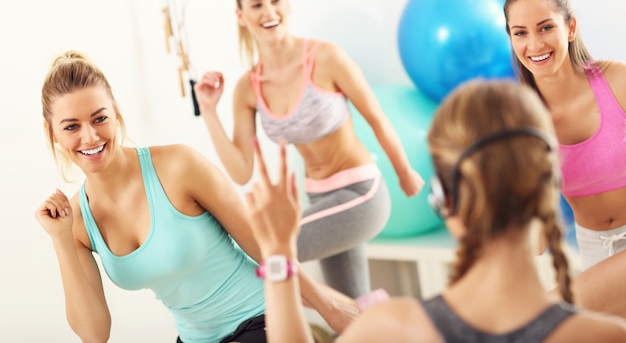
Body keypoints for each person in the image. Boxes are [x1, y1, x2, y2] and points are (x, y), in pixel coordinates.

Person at [244, 78, 626, 343]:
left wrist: (278, 255)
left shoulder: (390, 332)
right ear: (549, 191)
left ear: (444, 199)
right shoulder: (604, 337)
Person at [35, 51, 360, 343]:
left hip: (259, 320)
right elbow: (94, 334)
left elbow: (263, 246)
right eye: (71, 127)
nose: (90, 136)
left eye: (99, 118)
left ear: (115, 113)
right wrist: (61, 239)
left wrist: (332, 310)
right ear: (53, 134)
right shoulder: (75, 220)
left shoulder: (178, 166)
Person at [193, 0, 424, 299]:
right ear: (241, 15)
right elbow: (241, 172)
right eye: (256, 5)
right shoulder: (248, 88)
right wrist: (209, 112)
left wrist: (404, 172)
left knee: (266, 249)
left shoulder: (326, 57)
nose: (269, 12)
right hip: (318, 198)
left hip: (360, 192)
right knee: (353, 308)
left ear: (288, 4)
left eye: (275, 0)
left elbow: (376, 117)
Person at [504, 0, 626, 317]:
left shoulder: (617, 82)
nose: (535, 44)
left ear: (570, 28)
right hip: (596, 251)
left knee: (544, 319)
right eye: (521, 33)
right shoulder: (521, 121)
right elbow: (539, 240)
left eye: (546, 27)